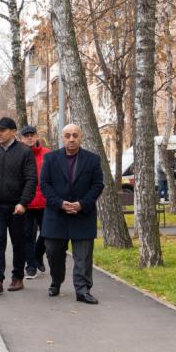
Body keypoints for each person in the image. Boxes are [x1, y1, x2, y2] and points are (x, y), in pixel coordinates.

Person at [41, 124, 105, 304]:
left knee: (83, 256)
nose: (71, 139)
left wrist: (81, 204)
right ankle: (56, 281)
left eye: (75, 135)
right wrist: (60, 204)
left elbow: (97, 185)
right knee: (53, 252)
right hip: (56, 215)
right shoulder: (50, 158)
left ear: (80, 137)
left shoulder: (92, 160)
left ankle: (82, 290)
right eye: (67, 135)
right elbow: (45, 185)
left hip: (82, 215)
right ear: (62, 138)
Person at [0, 117, 36, 293]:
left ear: (13, 132)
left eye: (2, 130)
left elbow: (31, 179)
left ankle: (17, 277)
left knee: (18, 243)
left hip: (17, 206)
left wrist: (23, 203)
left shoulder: (25, 152)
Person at [19, 125, 49, 279]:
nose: (29, 137)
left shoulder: (48, 154)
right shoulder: (18, 155)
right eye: (26, 135)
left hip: (45, 202)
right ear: (21, 138)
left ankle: (38, 255)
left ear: (37, 137)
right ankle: (30, 266)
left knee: (47, 233)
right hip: (26, 203)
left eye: (32, 135)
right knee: (27, 236)